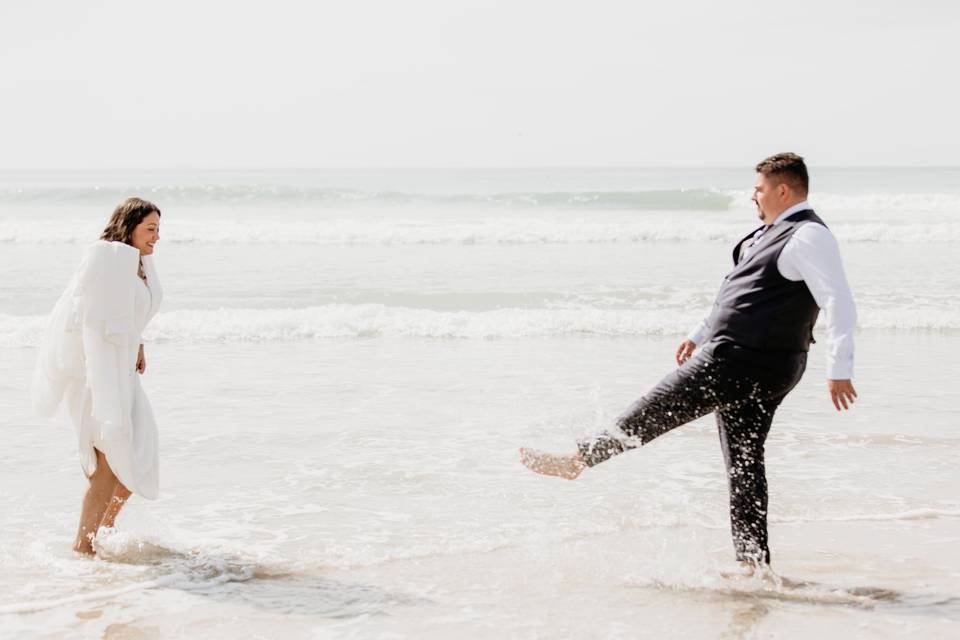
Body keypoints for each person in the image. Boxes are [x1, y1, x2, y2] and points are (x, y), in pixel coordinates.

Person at [520, 153, 857, 568]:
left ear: (782, 190)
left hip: (740, 361)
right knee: (744, 465)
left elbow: (838, 299)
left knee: (656, 405)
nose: (753, 195)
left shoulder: (808, 236)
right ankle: (753, 566)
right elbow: (738, 293)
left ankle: (579, 459)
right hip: (757, 363)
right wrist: (698, 334)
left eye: (759, 188)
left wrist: (840, 369)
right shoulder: (766, 235)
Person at [32, 197, 164, 555]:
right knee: (109, 460)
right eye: (150, 229)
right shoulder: (108, 258)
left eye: (158, 230)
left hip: (123, 372)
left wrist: (138, 344)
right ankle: (83, 547)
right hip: (101, 376)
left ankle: (101, 532)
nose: (156, 237)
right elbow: (90, 321)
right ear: (130, 226)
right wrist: (106, 390)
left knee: (137, 454)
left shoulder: (138, 264)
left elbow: (127, 314)